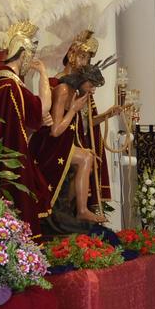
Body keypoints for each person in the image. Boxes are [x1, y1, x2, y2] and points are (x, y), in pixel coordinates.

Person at [31, 31, 122, 223]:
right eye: (82, 56)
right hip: (51, 144)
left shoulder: (78, 89)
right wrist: (73, 109)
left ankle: (70, 210)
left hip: (67, 140)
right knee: (86, 157)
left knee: (90, 158)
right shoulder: (61, 86)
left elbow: (84, 125)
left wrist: (106, 115)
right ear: (71, 55)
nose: (84, 62)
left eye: (87, 59)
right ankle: (75, 211)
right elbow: (55, 129)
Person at [0, 21, 53, 238]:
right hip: (13, 161)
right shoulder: (11, 84)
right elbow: (44, 106)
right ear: (23, 53)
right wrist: (43, 73)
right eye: (31, 54)